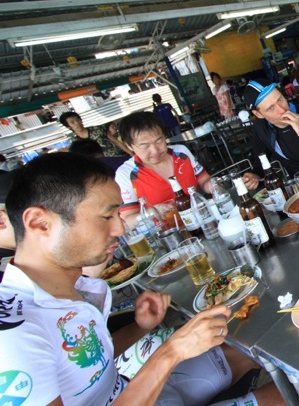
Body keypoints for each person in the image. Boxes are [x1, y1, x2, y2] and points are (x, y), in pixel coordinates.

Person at [0, 153, 282, 405]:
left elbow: (86, 369)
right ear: (39, 223)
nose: (120, 228)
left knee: (262, 349)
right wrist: (170, 353)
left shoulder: (69, 286)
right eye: (107, 215)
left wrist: (139, 328)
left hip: (140, 389)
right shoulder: (13, 334)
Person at [115, 111, 213, 225]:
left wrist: (213, 186)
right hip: (167, 233)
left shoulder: (181, 152)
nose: (155, 150)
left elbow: (204, 180)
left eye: (159, 141)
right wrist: (151, 213)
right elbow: (128, 219)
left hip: (202, 220)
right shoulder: (125, 173)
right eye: (144, 145)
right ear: (129, 146)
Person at [59, 112, 131, 157]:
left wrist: (131, 153)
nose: (77, 123)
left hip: (119, 156)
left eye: (78, 120)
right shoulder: (74, 141)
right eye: (72, 122)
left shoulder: (98, 129)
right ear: (68, 126)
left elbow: (116, 141)